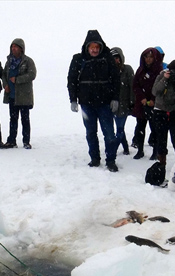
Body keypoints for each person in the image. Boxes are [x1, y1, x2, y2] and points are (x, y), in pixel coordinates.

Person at [67, 30, 120, 172]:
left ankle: (111, 160)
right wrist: (73, 99)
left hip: (105, 104)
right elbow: (71, 80)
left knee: (109, 134)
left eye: (97, 47)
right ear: (87, 47)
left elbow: (116, 80)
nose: (95, 50)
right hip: (86, 104)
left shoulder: (108, 58)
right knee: (91, 132)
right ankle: (95, 159)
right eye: (92, 47)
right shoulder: (78, 59)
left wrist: (115, 98)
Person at [151, 59, 175, 165]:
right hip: (160, 111)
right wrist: (165, 79)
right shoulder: (162, 76)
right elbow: (155, 91)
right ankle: (161, 163)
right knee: (161, 140)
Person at [1, 38, 37, 149]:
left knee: (25, 119)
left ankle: (26, 141)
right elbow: (4, 74)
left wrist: (18, 79)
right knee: (13, 119)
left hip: (24, 96)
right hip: (12, 96)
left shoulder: (28, 61)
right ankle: (11, 140)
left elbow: (32, 75)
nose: (13, 49)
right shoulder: (9, 62)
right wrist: (5, 85)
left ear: (21, 49)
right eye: (12, 46)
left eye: (15, 47)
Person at [131, 47, 163, 160]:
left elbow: (161, 88)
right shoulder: (140, 70)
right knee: (140, 127)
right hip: (142, 104)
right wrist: (142, 98)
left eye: (150, 57)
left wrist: (153, 100)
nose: (148, 60)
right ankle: (140, 150)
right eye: (146, 57)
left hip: (156, 105)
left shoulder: (159, 71)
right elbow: (135, 86)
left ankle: (155, 151)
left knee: (155, 129)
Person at [111, 47, 134, 155]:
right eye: (113, 58)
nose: (116, 60)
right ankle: (125, 148)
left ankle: (113, 150)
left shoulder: (127, 70)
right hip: (112, 105)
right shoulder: (108, 71)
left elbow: (132, 87)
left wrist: (132, 103)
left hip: (124, 105)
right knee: (120, 128)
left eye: (117, 58)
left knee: (119, 129)